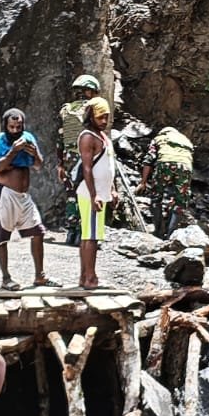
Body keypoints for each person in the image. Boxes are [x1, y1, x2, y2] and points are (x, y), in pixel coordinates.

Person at [0, 108, 54, 290]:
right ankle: (6, 278)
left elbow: (38, 166)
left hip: (23, 196)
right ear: (6, 126)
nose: (15, 130)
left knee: (38, 232)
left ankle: (40, 276)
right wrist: (13, 151)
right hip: (5, 194)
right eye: (12, 127)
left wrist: (35, 153)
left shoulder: (28, 137)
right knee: (2, 237)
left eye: (19, 127)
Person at [76, 97, 116, 289]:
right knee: (91, 236)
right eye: (100, 117)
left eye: (106, 116)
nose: (104, 121)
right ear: (91, 116)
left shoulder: (102, 137)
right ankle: (90, 278)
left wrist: (112, 189)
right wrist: (94, 195)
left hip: (101, 192)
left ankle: (85, 276)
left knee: (89, 235)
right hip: (90, 193)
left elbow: (109, 165)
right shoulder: (88, 137)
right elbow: (87, 168)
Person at [57, 75, 100, 246]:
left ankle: (71, 233)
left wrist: (60, 164)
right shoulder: (92, 109)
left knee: (71, 195)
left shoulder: (66, 110)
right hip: (86, 156)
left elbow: (60, 138)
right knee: (88, 193)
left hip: (68, 157)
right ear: (89, 91)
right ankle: (84, 232)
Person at [137, 127, 194, 238]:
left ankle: (158, 232)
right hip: (186, 166)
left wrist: (143, 182)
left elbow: (149, 160)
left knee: (156, 197)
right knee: (180, 203)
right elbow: (186, 159)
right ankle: (170, 235)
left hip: (165, 164)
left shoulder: (159, 138)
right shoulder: (185, 140)